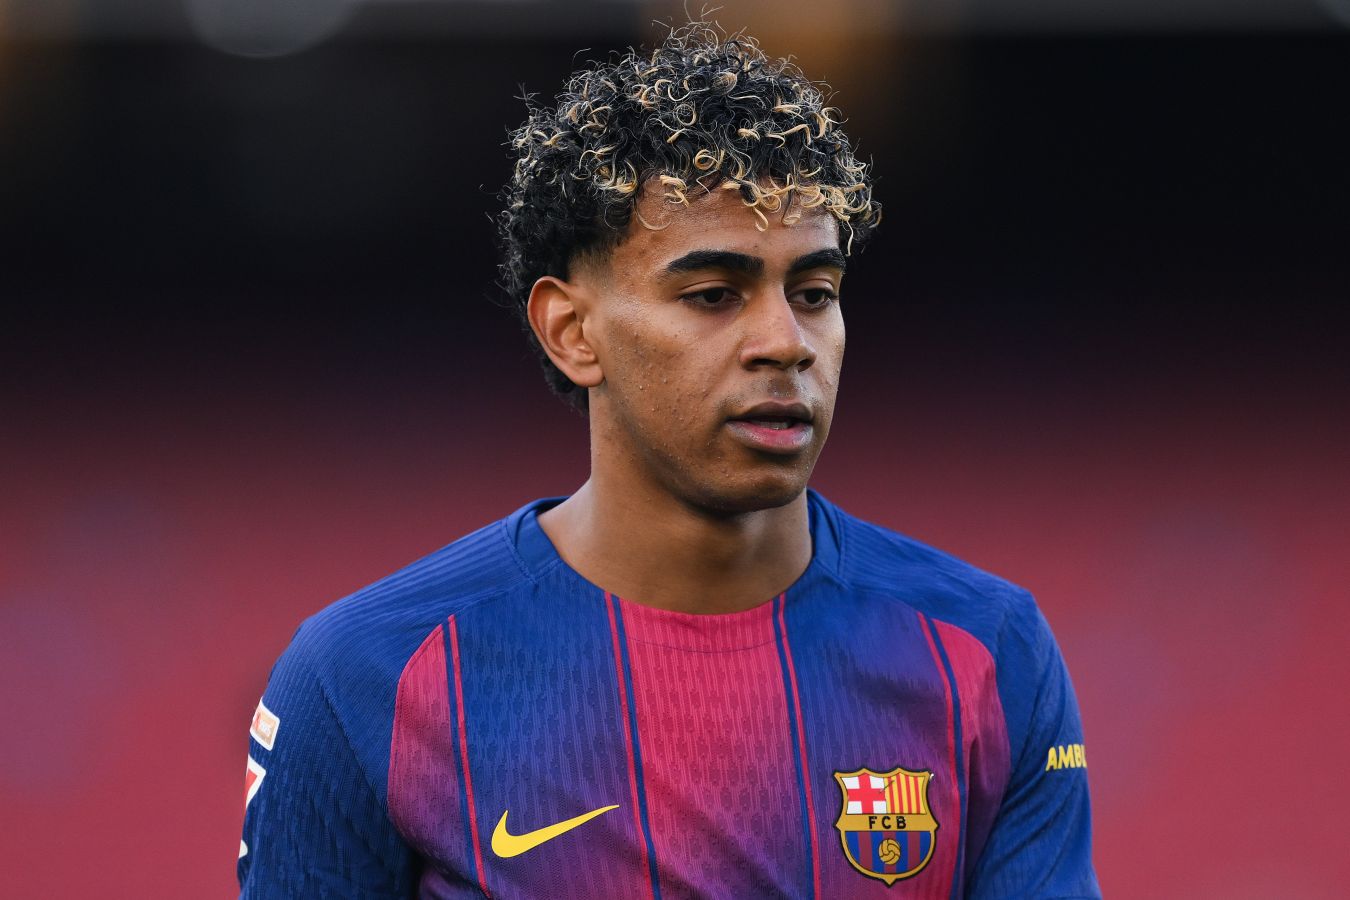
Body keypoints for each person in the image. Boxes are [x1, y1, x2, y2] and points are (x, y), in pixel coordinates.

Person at [238, 23, 1099, 899]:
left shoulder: (988, 654)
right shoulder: (365, 677)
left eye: (814, 293)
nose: (786, 343)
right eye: (714, 295)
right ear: (572, 332)